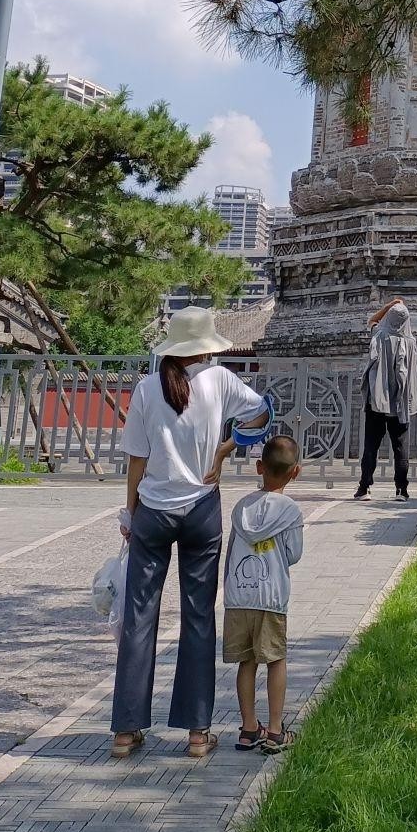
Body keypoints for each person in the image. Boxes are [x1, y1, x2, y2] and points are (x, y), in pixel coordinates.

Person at [109, 306, 268, 762]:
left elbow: (136, 459)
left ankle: (125, 730)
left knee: (139, 618)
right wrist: (226, 446)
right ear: (205, 347)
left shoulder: (145, 388)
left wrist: (131, 512)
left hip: (153, 510)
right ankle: (198, 733)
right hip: (201, 507)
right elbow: (262, 414)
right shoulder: (220, 380)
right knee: (199, 617)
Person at [218, 432, 304, 754]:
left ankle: (249, 728)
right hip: (271, 599)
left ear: (259, 467)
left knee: (247, 662)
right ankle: (277, 731)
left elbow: (231, 550)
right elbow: (293, 554)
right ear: (295, 472)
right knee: (276, 659)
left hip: (239, 597)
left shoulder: (241, 508)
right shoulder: (290, 511)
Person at [355, 298, 417, 500]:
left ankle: (364, 488)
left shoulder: (378, 335)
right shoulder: (413, 342)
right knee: (401, 447)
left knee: (371, 447)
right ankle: (402, 489)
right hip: (401, 402)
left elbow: (371, 321)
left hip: (377, 400)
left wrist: (388, 305)